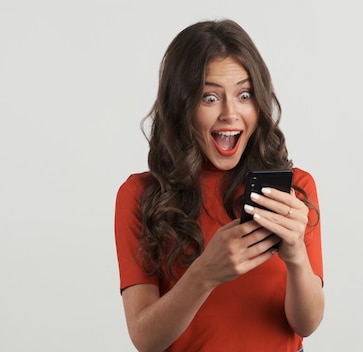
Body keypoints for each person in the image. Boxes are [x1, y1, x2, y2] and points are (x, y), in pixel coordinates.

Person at [114, 18, 324, 352]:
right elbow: (145, 339)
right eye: (209, 98)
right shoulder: (140, 196)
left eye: (244, 94)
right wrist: (204, 274)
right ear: (180, 105)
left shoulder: (295, 190)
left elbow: (307, 324)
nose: (230, 113)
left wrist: (297, 255)